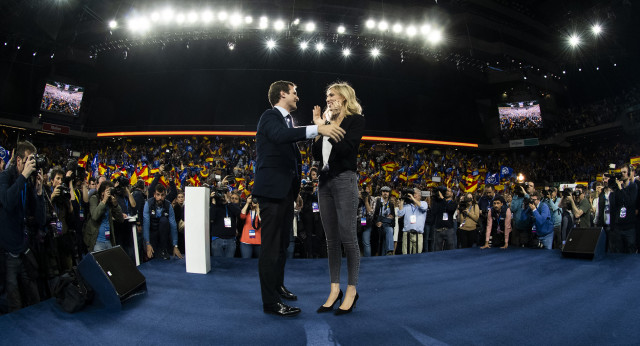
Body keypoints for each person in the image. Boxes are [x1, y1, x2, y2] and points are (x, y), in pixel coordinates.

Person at [252, 80, 345, 317]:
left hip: (284, 194)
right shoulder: (269, 117)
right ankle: (270, 303)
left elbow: (293, 162)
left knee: (282, 245)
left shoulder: (287, 122)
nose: (298, 97)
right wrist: (318, 129)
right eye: (295, 93)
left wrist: (295, 195)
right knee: (271, 247)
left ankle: (277, 285)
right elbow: (281, 136)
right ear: (282, 94)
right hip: (271, 193)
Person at [312, 82, 365, 315]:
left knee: (348, 237)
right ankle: (335, 289)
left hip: (344, 179)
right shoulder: (325, 122)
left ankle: (351, 289)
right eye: (327, 96)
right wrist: (318, 130)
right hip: (324, 181)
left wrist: (328, 125)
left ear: (344, 97)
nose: (328, 99)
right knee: (331, 240)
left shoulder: (356, 121)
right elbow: (315, 155)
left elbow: (345, 150)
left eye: (332, 95)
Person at [0, 141, 46, 312]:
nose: (31, 164)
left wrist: (40, 193)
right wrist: (24, 176)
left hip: (24, 247)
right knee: (14, 300)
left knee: (33, 295)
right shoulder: (6, 176)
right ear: (18, 160)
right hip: (8, 249)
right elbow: (7, 202)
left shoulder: (28, 181)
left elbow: (40, 219)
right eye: (28, 159)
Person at [143, 184, 183, 260]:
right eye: (158, 195)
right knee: (151, 258)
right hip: (152, 234)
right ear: (154, 195)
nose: (160, 198)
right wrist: (147, 244)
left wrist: (175, 245)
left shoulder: (168, 205)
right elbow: (146, 224)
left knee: (164, 220)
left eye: (162, 195)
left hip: (164, 235)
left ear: (165, 195)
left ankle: (164, 249)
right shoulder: (148, 204)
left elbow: (173, 225)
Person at [85, 181, 125, 252]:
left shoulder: (110, 202)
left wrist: (115, 205)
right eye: (108, 190)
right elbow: (95, 216)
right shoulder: (94, 199)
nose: (109, 193)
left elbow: (121, 219)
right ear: (102, 192)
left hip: (108, 240)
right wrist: (104, 200)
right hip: (97, 241)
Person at [397, 188, 428, 254]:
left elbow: (423, 208)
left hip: (418, 234)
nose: (412, 195)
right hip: (407, 233)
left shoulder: (424, 203)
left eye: (414, 194)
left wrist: (413, 198)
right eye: (412, 194)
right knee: (405, 255)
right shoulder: (407, 205)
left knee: (417, 256)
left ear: (420, 196)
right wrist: (402, 201)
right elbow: (400, 214)